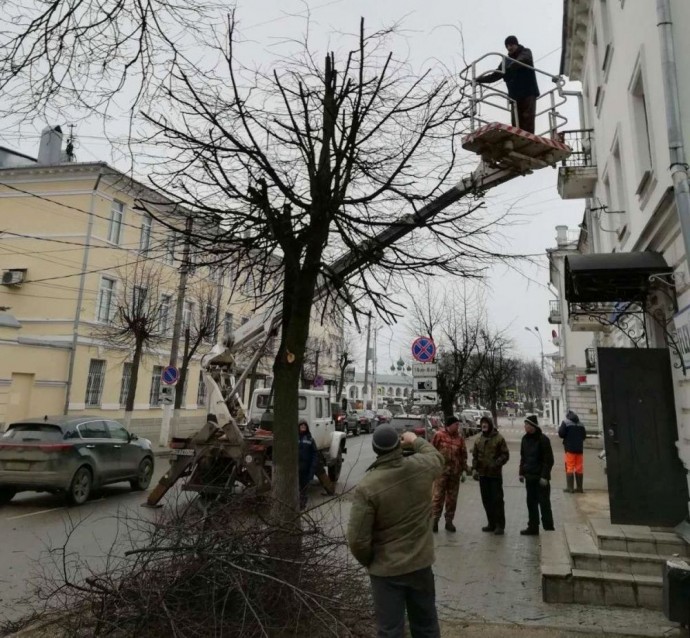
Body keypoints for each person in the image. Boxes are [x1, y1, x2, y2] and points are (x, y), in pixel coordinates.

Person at [347, 426, 444, 638]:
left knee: (390, 630)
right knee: (426, 626)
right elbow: (436, 457)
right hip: (420, 565)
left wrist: (373, 561)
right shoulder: (421, 467)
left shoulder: (368, 486)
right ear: (398, 446)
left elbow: (357, 540)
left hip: (387, 571)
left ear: (375, 449)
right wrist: (414, 440)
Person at [476, 35, 540, 133]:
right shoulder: (506, 61)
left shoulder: (526, 52)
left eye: (511, 45)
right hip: (515, 95)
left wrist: (510, 67)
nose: (509, 48)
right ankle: (519, 139)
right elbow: (495, 75)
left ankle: (529, 138)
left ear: (516, 44)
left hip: (528, 92)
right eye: (507, 46)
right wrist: (481, 79)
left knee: (528, 119)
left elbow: (522, 60)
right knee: (516, 122)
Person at [471, 416, 510, 535]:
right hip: (483, 475)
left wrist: (496, 463)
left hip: (494, 475)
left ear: (490, 425)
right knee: (486, 500)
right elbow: (475, 457)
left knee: (497, 500)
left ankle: (500, 525)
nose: (484, 426)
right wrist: (474, 470)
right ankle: (491, 523)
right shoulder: (478, 440)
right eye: (482, 424)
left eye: (486, 424)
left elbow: (505, 455)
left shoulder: (499, 439)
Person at [431, 415, 468, 533]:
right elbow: (431, 451)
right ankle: (434, 521)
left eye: (458, 425)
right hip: (441, 473)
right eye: (456, 424)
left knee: (452, 499)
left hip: (454, 474)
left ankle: (449, 521)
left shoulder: (460, 438)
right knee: (438, 497)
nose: (458, 427)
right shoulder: (439, 435)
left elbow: (463, 455)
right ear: (450, 425)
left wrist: (464, 470)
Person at [519, 414, 555, 535]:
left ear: (532, 426)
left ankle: (549, 528)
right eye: (525, 424)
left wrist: (544, 476)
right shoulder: (524, 439)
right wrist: (521, 473)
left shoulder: (543, 439)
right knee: (531, 504)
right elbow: (523, 457)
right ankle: (533, 527)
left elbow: (548, 460)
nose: (525, 426)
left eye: (526, 424)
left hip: (541, 479)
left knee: (544, 504)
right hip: (530, 477)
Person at [558, 409, 587, 493]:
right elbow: (584, 436)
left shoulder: (565, 422)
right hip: (579, 449)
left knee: (569, 467)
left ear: (567, 416)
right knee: (579, 468)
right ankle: (579, 488)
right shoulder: (581, 424)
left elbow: (561, 434)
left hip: (569, 449)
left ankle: (570, 488)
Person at [298, 420, 318, 510]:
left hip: (306, 468)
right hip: (296, 468)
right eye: (301, 426)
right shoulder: (294, 438)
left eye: (304, 426)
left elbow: (314, 454)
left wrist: (312, 469)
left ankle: (302, 505)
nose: (302, 427)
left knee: (304, 488)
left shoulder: (310, 439)